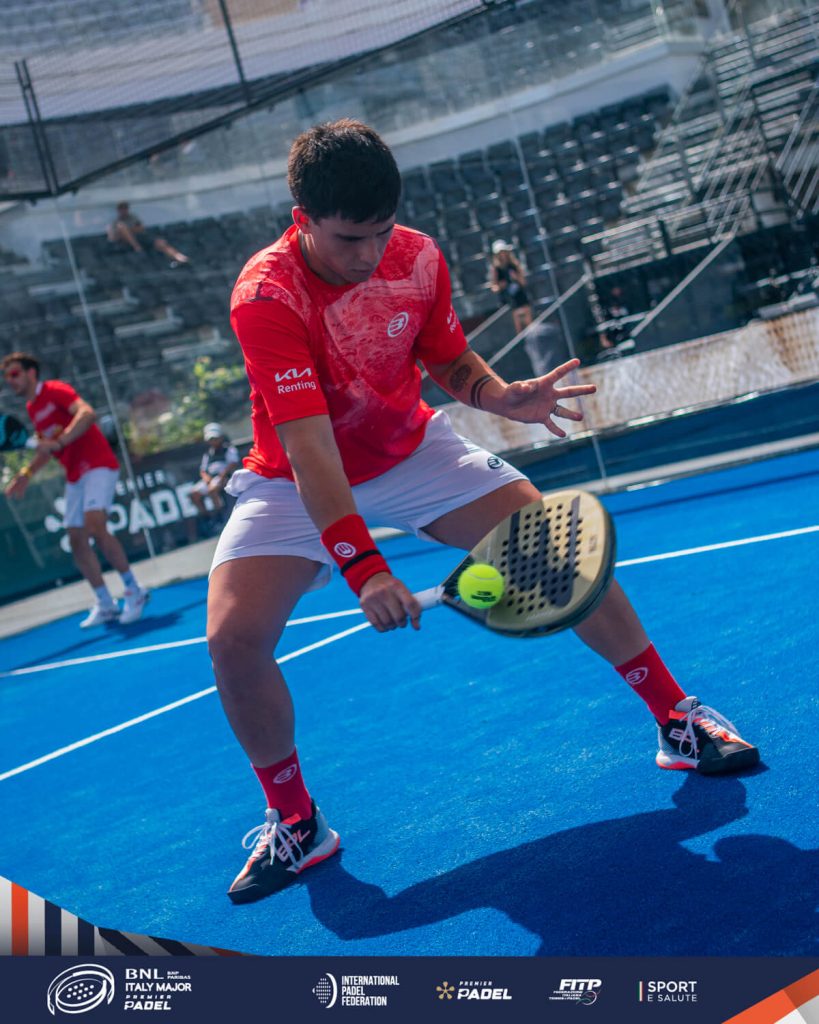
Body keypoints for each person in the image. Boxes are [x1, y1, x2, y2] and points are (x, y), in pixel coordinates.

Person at [207, 119, 760, 906]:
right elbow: (310, 451)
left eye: (380, 231)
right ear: (302, 219)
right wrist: (365, 571)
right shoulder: (266, 296)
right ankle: (297, 823)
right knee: (232, 642)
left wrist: (500, 396)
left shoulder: (416, 257)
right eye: (348, 239)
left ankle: (676, 719)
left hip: (411, 450)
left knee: (554, 549)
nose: (368, 253)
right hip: (295, 477)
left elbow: (444, 356)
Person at [3, 352, 150, 627]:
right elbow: (47, 448)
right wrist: (25, 474)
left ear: (31, 373)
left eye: (14, 374)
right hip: (75, 475)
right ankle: (105, 602)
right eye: (6, 376)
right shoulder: (33, 408)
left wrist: (63, 440)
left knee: (95, 525)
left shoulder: (55, 390)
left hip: (97, 464)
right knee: (76, 540)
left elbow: (87, 413)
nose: (9, 380)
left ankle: (134, 589)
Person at [189, 422, 240, 533]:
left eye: (215, 438)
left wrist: (222, 476)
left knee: (212, 489)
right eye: (211, 439)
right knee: (194, 494)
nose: (213, 441)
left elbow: (233, 463)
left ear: (220, 437)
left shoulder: (229, 449)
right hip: (210, 479)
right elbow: (203, 470)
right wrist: (207, 479)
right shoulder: (208, 454)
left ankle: (220, 517)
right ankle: (208, 519)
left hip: (224, 478)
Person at [107, 202, 189, 265]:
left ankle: (177, 256)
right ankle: (137, 247)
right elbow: (112, 238)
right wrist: (125, 232)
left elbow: (141, 228)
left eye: (125, 208)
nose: (124, 210)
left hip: (141, 238)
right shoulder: (115, 222)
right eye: (121, 209)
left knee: (160, 242)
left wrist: (128, 230)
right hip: (127, 244)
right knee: (121, 227)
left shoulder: (133, 217)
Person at [489, 240, 533, 335]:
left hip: (520, 296)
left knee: (527, 315)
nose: (502, 254)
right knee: (516, 320)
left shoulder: (514, 265)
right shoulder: (496, 269)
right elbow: (494, 287)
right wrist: (500, 286)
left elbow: (523, 282)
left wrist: (516, 277)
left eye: (504, 252)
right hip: (508, 300)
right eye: (500, 253)